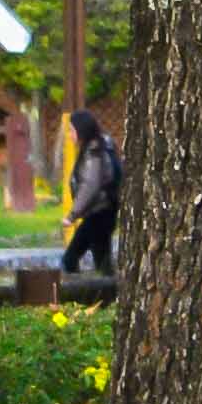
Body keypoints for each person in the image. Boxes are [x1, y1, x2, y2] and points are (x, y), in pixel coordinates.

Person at [62, 101, 125, 285]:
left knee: (70, 258)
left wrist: (72, 215)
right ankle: (108, 295)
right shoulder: (101, 147)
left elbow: (90, 185)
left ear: (81, 131)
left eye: (72, 130)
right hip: (105, 212)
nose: (70, 135)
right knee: (102, 261)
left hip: (98, 214)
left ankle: (76, 295)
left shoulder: (94, 152)